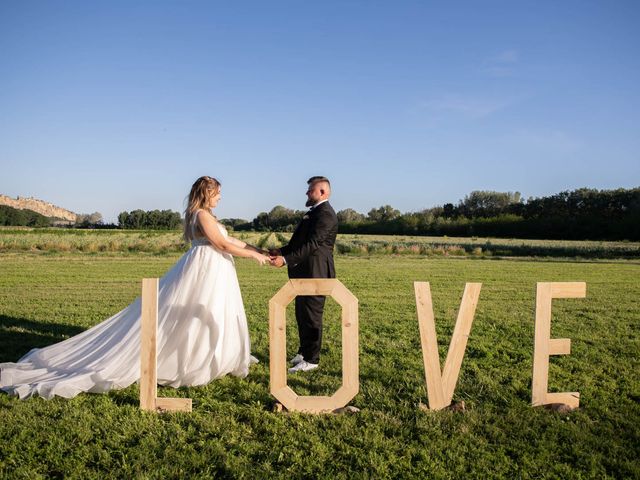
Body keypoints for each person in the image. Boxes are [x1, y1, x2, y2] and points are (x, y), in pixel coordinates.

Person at [0, 176, 269, 399]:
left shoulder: (204, 215)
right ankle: (190, 360)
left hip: (212, 269)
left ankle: (209, 356)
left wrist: (259, 249)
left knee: (204, 312)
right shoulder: (201, 215)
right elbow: (221, 245)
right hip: (205, 269)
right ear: (207, 193)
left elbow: (230, 239)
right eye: (218, 193)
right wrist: (254, 256)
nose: (220, 197)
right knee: (188, 313)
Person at [269, 176, 338, 373]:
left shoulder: (326, 215)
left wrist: (286, 260)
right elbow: (298, 243)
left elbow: (312, 245)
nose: (307, 193)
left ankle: (312, 359)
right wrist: (281, 252)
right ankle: (303, 351)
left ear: (323, 192)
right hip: (304, 272)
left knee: (312, 316)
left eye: (311, 190)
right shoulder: (314, 212)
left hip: (317, 273)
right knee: (302, 314)